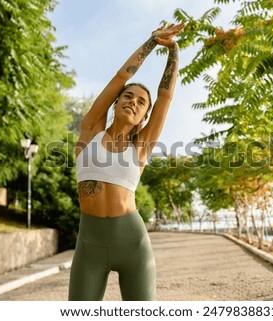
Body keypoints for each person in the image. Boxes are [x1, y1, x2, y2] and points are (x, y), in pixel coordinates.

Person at [68, 22, 185, 301]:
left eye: (141, 102)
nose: (133, 101)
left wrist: (173, 49)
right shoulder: (90, 131)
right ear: (116, 103)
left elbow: (165, 96)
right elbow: (120, 77)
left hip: (133, 243)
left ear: (144, 116)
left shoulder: (141, 148)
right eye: (128, 96)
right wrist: (151, 43)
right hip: (90, 245)